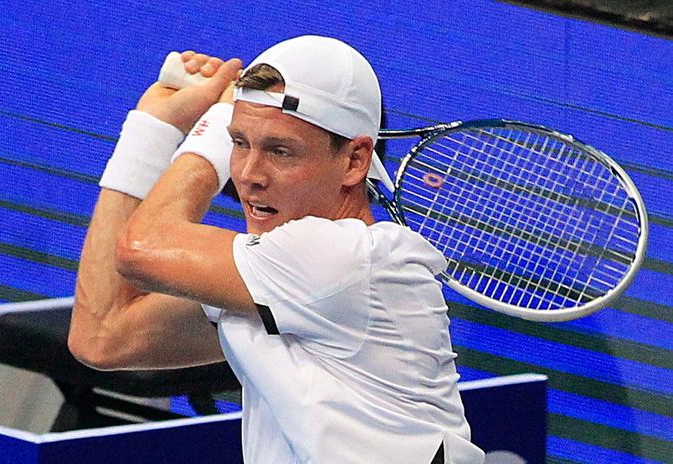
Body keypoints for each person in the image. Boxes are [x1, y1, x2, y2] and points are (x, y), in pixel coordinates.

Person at [68, 35, 485, 463]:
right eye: (240, 143)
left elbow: (141, 246)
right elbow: (102, 336)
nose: (249, 175)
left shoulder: (349, 259)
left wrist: (212, 124)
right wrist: (151, 127)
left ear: (355, 160)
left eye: (280, 151)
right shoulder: (278, 281)